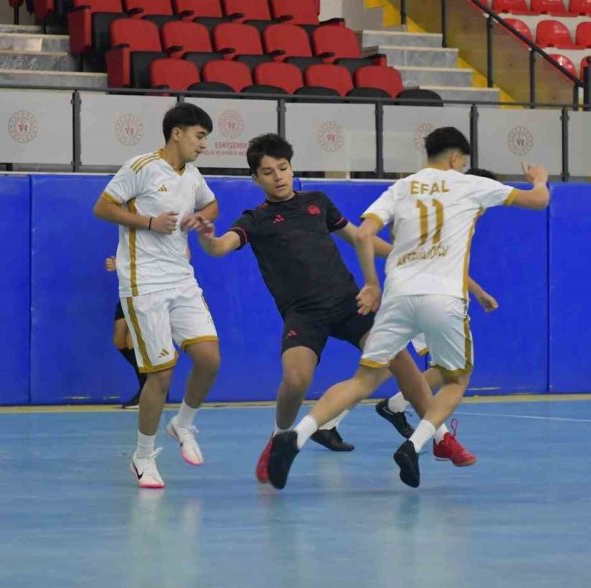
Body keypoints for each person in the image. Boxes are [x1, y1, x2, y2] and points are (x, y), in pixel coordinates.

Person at [267, 127, 550, 490]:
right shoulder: (470, 184)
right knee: (455, 379)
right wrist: (538, 179)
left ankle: (299, 434)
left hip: (397, 296)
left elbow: (364, 234)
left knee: (363, 379)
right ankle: (414, 445)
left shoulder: (401, 187)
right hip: (443, 297)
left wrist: (371, 284)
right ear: (456, 159)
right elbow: (538, 201)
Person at [195, 133, 476, 483]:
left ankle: (440, 438)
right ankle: (280, 438)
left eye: (283, 168)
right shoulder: (255, 219)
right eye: (268, 172)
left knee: (402, 362)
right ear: (256, 178)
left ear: (291, 167)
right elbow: (221, 247)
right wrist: (207, 238)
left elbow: (360, 237)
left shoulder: (317, 202)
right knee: (296, 379)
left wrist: (408, 257)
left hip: (349, 304)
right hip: (303, 313)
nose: (278, 177)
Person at [93, 102, 221, 490]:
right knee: (161, 374)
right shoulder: (141, 166)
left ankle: (182, 424)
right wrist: (149, 222)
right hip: (144, 282)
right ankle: (143, 456)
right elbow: (102, 207)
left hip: (182, 279)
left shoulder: (192, 174)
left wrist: (202, 217)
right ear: (177, 133)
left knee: (209, 358)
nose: (203, 145)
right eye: (200, 136)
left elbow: (211, 202)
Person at [375, 280, 497, 463]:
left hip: (409, 298)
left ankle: (395, 405)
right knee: (455, 372)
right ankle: (430, 440)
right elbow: (452, 269)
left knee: (446, 367)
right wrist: (479, 292)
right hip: (432, 301)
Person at [106, 256, 144, 410]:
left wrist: (121, 265)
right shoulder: (127, 244)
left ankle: (147, 390)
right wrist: (118, 263)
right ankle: (153, 384)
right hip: (126, 293)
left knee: (132, 341)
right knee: (119, 341)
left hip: (143, 293)